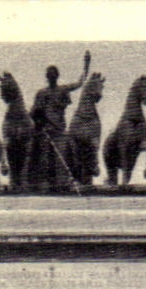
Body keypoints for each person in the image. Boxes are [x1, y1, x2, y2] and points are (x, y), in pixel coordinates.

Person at [29, 51, 92, 187]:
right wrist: (39, 121)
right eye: (49, 75)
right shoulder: (41, 93)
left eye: (53, 74)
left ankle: (76, 177)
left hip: (60, 131)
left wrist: (86, 66)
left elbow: (80, 83)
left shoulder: (63, 90)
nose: (51, 77)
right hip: (45, 131)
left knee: (72, 151)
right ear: (47, 77)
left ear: (57, 76)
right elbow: (33, 112)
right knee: (35, 151)